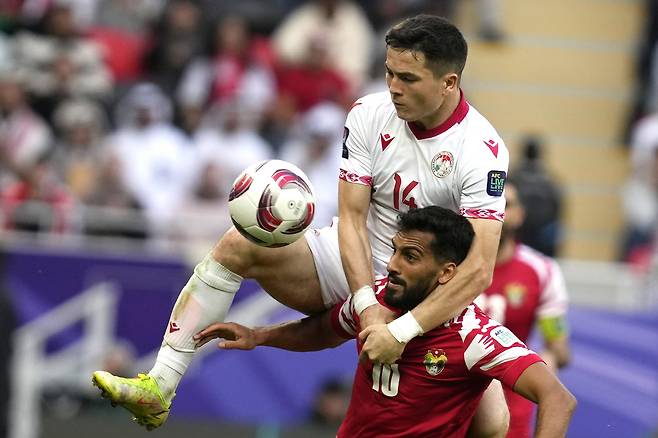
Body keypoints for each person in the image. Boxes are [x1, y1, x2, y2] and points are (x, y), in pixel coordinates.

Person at [92, 15, 510, 432]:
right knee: (237, 244)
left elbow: (478, 268)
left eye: (409, 78)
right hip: (351, 260)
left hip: (417, 291)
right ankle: (160, 385)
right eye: (388, 72)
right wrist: (367, 307)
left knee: (492, 423)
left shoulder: (481, 151)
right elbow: (350, 217)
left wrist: (400, 329)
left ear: (449, 83)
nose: (393, 87)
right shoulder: (369, 112)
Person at [193, 207, 576, 437]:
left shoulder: (474, 334)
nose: (392, 265)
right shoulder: (375, 299)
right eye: (394, 251)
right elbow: (324, 330)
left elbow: (559, 399)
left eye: (410, 257)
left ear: (446, 273)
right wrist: (258, 336)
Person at [475, 181, 571, 438]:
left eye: (507, 204)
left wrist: (551, 355)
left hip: (512, 390)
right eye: (492, 201)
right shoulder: (452, 262)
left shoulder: (541, 270)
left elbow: (558, 345)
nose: (498, 210)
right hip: (455, 386)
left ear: (520, 215)